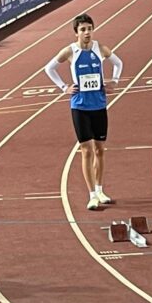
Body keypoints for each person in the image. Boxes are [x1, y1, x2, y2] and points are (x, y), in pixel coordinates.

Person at [45, 13, 123, 210]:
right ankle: (91, 195)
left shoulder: (100, 49)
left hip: (99, 105)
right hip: (80, 107)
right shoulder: (70, 51)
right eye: (83, 30)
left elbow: (118, 63)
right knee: (86, 151)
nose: (87, 33)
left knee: (100, 150)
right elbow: (49, 68)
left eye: (89, 29)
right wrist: (64, 87)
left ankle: (100, 190)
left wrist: (114, 81)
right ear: (76, 33)